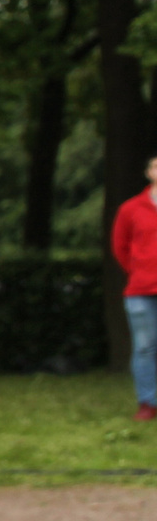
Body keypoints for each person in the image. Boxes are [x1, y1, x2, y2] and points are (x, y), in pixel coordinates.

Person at [112, 154, 157, 419]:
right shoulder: (131, 209)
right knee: (144, 347)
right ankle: (148, 402)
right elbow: (120, 247)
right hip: (140, 291)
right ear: (148, 172)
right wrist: (140, 270)